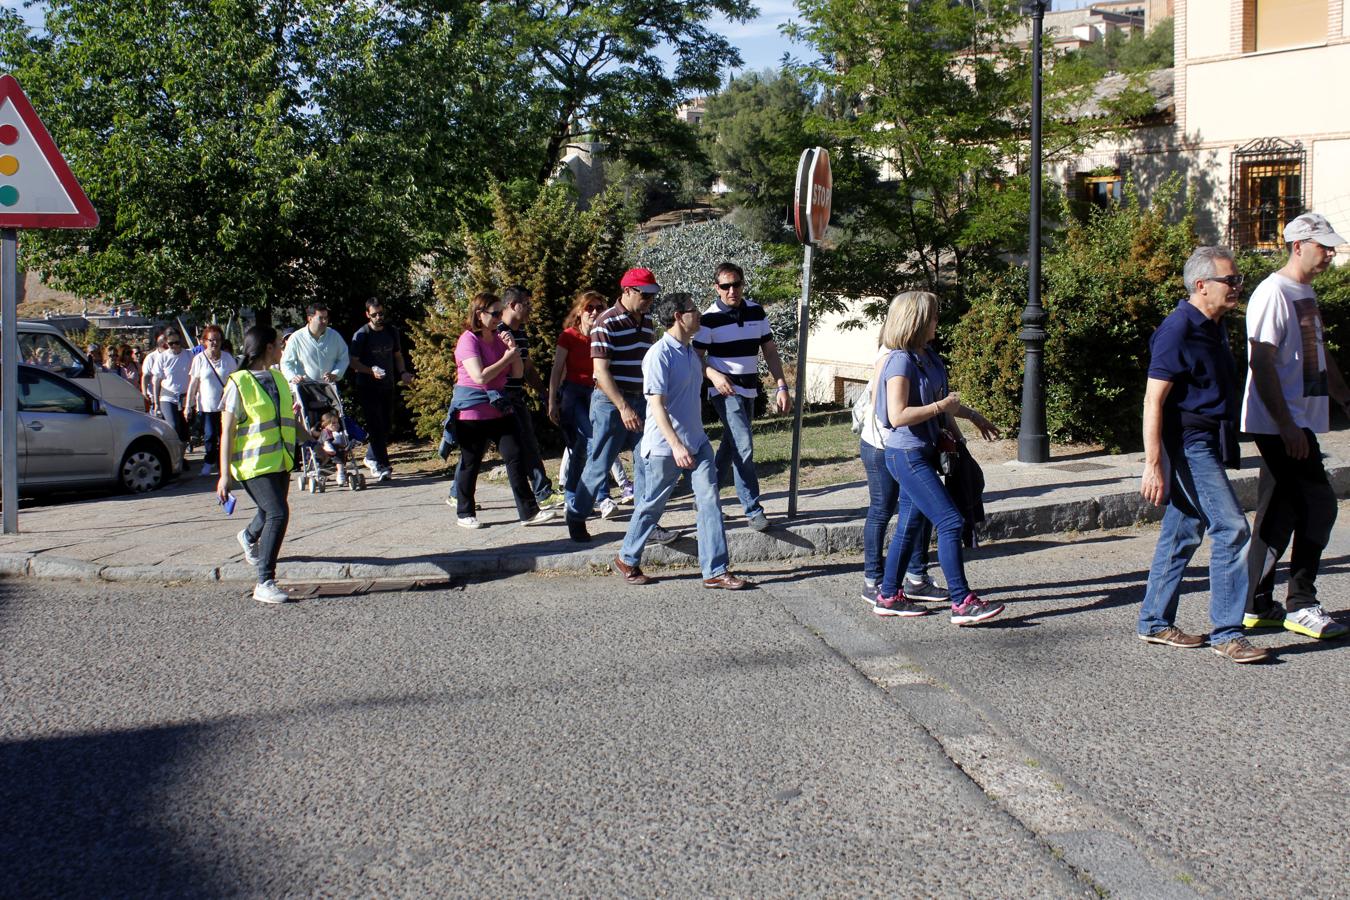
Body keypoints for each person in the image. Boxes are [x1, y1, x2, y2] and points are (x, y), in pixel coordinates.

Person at [1138, 247, 1270, 663]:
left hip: (1209, 440)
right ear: (1201, 286)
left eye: (1237, 279)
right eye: (1229, 280)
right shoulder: (1177, 330)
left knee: (1183, 532)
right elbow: (1153, 400)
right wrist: (1154, 463)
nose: (1237, 286)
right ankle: (1227, 633)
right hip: (1189, 445)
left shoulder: (1215, 326)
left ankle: (1155, 621)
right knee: (1232, 530)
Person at [1241, 212, 1350, 640]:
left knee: (1279, 512)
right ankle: (1301, 603)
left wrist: (1343, 396)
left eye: (1331, 246)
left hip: (1298, 419)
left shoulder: (1303, 291)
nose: (1330, 254)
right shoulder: (1273, 293)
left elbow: (1319, 354)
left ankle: (1254, 604)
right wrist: (1286, 424)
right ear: (1297, 246)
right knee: (1320, 506)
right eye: (1323, 246)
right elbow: (1260, 360)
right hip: (1280, 423)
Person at [875, 291, 1002, 624]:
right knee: (949, 521)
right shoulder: (899, 360)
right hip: (906, 454)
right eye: (932, 315)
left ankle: (888, 596)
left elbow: (945, 403)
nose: (936, 321)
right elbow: (898, 414)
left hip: (926, 451)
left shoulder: (927, 357)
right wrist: (939, 408)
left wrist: (973, 418)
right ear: (916, 320)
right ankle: (962, 602)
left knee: (909, 525)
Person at [612, 293, 750, 590]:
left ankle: (715, 570)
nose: (699, 313)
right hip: (664, 448)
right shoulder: (659, 355)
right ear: (678, 316)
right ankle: (626, 557)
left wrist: (712, 372)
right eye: (693, 309)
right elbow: (657, 406)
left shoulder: (688, 351)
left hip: (697, 443)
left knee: (710, 500)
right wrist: (675, 445)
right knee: (652, 505)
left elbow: (700, 368)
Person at [567, 268, 667, 544]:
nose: (649, 300)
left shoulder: (647, 323)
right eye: (644, 294)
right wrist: (623, 407)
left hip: (641, 399)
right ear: (627, 291)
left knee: (646, 460)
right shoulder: (605, 322)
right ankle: (576, 515)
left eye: (652, 295)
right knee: (599, 462)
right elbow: (601, 372)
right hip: (611, 402)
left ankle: (646, 522)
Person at [693, 262, 793, 531]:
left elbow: (770, 351)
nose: (731, 290)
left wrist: (781, 385)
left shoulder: (756, 312)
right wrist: (714, 376)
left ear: (742, 285)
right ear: (716, 288)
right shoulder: (709, 318)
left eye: (736, 284)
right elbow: (695, 359)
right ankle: (753, 509)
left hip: (749, 388)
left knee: (731, 444)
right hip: (724, 390)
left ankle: (703, 497)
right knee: (744, 446)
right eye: (725, 286)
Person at [450, 292, 554, 529]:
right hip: (472, 411)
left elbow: (516, 374)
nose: (499, 318)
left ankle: (528, 512)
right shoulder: (468, 340)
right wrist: (507, 358)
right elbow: (479, 376)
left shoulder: (499, 338)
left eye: (500, 313)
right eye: (494, 313)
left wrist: (512, 349)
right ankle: (465, 512)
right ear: (479, 314)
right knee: (471, 462)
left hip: (498, 408)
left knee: (515, 455)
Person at [858, 333, 945, 607]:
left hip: (907, 445)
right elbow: (884, 410)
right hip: (883, 445)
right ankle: (873, 580)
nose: (935, 324)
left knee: (917, 510)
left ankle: (916, 577)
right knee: (882, 509)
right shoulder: (891, 356)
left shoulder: (922, 354)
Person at [216, 325, 299, 605]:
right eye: (278, 343)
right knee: (277, 513)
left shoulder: (278, 378)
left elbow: (287, 419)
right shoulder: (238, 382)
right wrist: (224, 475)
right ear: (267, 348)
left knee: (268, 511)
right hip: (253, 465)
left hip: (281, 459)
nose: (281, 348)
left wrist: (310, 439)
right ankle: (264, 581)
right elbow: (227, 431)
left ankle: (248, 536)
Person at [548, 290, 615, 516]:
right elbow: (557, 370)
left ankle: (572, 495)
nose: (594, 312)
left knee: (580, 450)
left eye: (599, 308)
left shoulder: (604, 334)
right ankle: (603, 498)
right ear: (580, 311)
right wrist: (551, 401)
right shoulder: (569, 336)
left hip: (597, 392)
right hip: (574, 394)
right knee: (593, 441)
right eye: (590, 308)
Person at [499, 285, 561, 508]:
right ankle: (458, 491)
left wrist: (544, 393)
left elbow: (528, 368)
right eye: (527, 304)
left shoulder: (521, 334)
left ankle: (543, 491)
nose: (530, 309)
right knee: (477, 449)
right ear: (513, 305)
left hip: (515, 395)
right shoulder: (497, 331)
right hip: (496, 397)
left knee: (528, 441)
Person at [349, 298, 414, 481]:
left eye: (381, 313)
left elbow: (398, 355)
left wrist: (403, 373)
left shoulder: (392, 332)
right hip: (367, 386)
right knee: (375, 425)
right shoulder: (362, 334)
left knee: (386, 425)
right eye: (375, 314)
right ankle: (382, 464)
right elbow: (353, 362)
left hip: (387, 384)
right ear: (367, 315)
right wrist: (370, 371)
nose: (379, 317)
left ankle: (370, 456)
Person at [185, 324, 239, 477]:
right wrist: (188, 405)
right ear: (204, 341)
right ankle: (209, 461)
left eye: (218, 340)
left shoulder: (228, 359)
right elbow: (194, 383)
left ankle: (225, 464)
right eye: (211, 340)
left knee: (226, 434)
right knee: (209, 435)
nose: (214, 343)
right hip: (207, 405)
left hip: (226, 405)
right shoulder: (199, 359)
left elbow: (235, 381)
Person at [149, 329, 193, 460]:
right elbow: (156, 381)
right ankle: (175, 458)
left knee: (185, 431)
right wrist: (156, 403)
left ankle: (180, 457)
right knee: (173, 427)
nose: (174, 346)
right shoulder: (162, 357)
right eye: (170, 343)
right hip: (168, 396)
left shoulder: (189, 356)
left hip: (185, 397)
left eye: (177, 342)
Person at [281, 303, 349, 384]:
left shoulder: (334, 336)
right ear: (310, 319)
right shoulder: (296, 338)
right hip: (304, 388)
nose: (325, 321)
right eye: (321, 318)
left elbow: (344, 358)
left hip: (329, 388)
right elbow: (285, 362)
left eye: (326, 318)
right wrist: (293, 377)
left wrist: (335, 374)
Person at [317, 410, 351, 486]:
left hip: (336, 453)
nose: (336, 425)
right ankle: (327, 444)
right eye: (333, 423)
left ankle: (340, 473)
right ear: (325, 424)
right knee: (325, 432)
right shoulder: (324, 431)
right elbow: (314, 433)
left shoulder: (338, 433)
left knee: (340, 448)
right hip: (323, 451)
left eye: (337, 423)